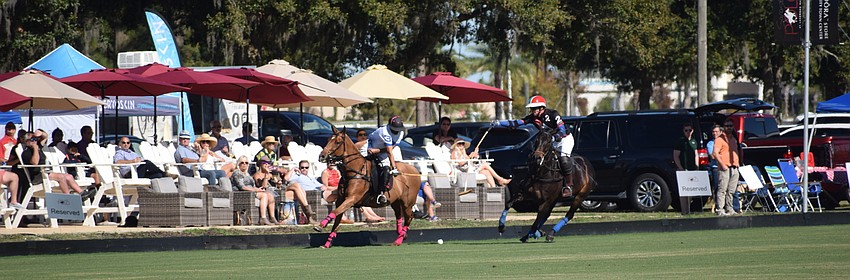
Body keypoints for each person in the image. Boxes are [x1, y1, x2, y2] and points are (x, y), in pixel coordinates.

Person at [493, 95, 574, 181]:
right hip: (551, 141)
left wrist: (555, 137)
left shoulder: (553, 114)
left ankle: (569, 184)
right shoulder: (532, 118)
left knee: (564, 160)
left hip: (564, 140)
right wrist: (499, 123)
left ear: (541, 108)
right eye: (531, 108)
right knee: (539, 159)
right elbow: (516, 123)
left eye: (534, 108)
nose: (532, 111)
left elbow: (562, 130)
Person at [21, 129, 94, 200]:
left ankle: (82, 193)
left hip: (45, 173)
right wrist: (35, 149)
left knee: (69, 176)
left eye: (35, 139)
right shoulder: (26, 153)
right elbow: (35, 162)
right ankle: (68, 198)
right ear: (26, 141)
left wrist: (40, 133)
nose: (35, 141)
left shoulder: (39, 146)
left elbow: (45, 136)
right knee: (61, 177)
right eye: (32, 140)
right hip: (37, 177)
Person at [361, 116, 406, 205]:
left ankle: (381, 193)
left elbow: (391, 149)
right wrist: (394, 167)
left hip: (382, 150)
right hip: (370, 145)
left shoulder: (400, 133)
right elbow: (389, 152)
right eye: (394, 129)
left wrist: (377, 151)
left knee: (385, 168)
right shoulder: (385, 132)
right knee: (361, 165)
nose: (396, 131)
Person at [229, 156, 279, 225]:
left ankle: (272, 217)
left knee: (270, 195)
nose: (244, 164)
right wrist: (256, 190)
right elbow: (242, 187)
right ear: (238, 164)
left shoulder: (247, 174)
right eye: (242, 163)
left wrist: (258, 188)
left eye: (246, 163)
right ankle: (263, 218)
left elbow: (256, 186)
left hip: (251, 192)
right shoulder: (237, 173)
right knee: (264, 195)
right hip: (242, 193)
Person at [270, 158, 317, 224]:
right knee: (297, 185)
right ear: (299, 168)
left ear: (309, 168)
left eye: (306, 167)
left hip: (300, 193)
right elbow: (286, 179)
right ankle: (308, 210)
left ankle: (308, 215)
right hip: (286, 190)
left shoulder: (311, 178)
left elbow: (319, 186)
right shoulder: (297, 175)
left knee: (300, 190)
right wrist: (293, 169)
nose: (304, 169)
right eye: (302, 167)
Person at [712, 124, 739, 216]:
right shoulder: (719, 139)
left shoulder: (733, 139)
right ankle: (720, 209)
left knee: (731, 190)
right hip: (725, 167)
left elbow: (736, 151)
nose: (729, 127)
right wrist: (723, 165)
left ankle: (730, 208)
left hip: (734, 167)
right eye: (727, 126)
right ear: (724, 128)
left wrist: (738, 162)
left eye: (731, 126)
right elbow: (715, 153)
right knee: (722, 189)